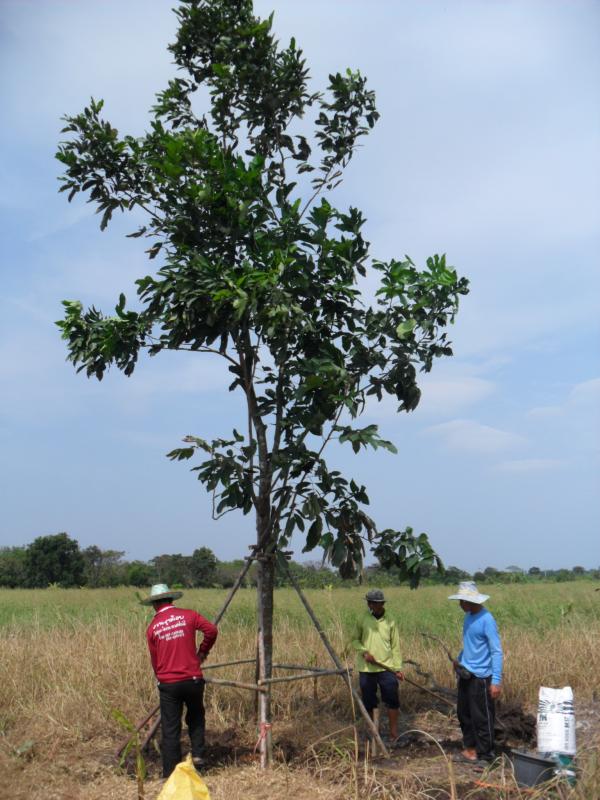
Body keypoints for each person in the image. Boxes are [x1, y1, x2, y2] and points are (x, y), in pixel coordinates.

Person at [142, 583, 218, 778]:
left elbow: (155, 660)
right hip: (193, 679)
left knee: (170, 727)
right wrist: (202, 652)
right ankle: (199, 757)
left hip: (169, 684)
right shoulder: (189, 615)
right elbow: (211, 630)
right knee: (196, 717)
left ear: (154, 605)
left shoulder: (152, 629)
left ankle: (170, 773)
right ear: (171, 600)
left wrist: (162, 679)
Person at [448, 581, 503, 764]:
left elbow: (496, 651)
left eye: (462, 601)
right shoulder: (468, 616)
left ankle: (486, 756)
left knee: (482, 718)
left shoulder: (487, 619)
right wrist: (459, 659)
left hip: (481, 678)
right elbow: (469, 644)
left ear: (470, 601)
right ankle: (470, 750)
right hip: (466, 674)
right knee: (464, 714)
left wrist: (495, 681)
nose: (460, 605)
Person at [351, 589, 404, 742]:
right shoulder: (362, 618)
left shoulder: (391, 620)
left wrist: (398, 668)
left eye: (378, 603)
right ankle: (374, 732)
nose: (375, 606)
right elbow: (354, 640)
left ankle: (394, 733)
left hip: (387, 668)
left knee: (392, 700)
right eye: (372, 603)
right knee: (369, 701)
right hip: (367, 669)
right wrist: (364, 652)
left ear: (382, 604)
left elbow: (396, 646)